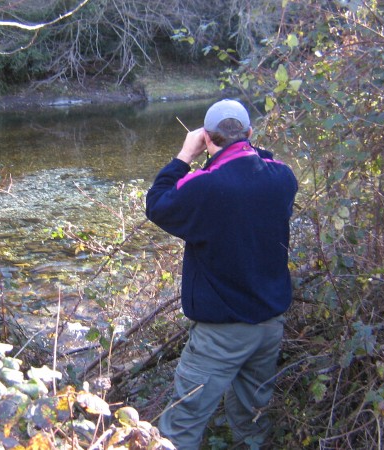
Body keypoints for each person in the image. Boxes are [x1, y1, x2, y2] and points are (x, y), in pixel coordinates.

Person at [145, 99, 298, 449]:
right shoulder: (282, 178)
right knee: (252, 420)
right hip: (269, 324)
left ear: (206, 137)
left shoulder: (204, 187)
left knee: (181, 426)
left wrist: (184, 156)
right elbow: (264, 159)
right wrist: (240, 147)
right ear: (249, 134)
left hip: (222, 334)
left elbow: (157, 204)